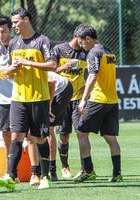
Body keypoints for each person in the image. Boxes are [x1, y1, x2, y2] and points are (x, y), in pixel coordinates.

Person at [0, 8, 56, 190]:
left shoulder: (42, 41)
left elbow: (52, 65)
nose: (13, 25)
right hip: (18, 98)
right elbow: (5, 72)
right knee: (16, 137)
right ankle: (10, 176)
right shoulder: (13, 43)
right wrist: (11, 70)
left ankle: (45, 176)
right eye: (12, 22)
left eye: (15, 22)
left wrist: (29, 63)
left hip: (38, 98)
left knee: (39, 138)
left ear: (27, 19)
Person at [0, 15, 40, 186]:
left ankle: (35, 173)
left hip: (22, 96)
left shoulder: (19, 44)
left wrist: (11, 69)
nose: (0, 35)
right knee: (7, 136)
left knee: (29, 136)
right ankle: (11, 172)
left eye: (4, 31)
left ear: (10, 30)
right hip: (4, 100)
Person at [74, 24, 122, 183]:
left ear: (88, 39)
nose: (81, 46)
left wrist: (83, 99)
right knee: (111, 138)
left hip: (98, 99)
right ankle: (117, 174)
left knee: (81, 132)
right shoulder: (108, 51)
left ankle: (88, 170)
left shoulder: (93, 52)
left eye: (81, 43)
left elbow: (92, 76)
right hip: (112, 100)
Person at [51, 25, 87, 179]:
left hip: (78, 99)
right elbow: (50, 72)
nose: (85, 43)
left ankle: (84, 168)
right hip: (62, 98)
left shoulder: (86, 52)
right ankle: (64, 166)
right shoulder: (59, 49)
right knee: (64, 135)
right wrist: (64, 66)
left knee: (81, 133)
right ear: (76, 37)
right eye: (83, 39)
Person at [47, 71, 73, 182]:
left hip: (61, 88)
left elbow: (51, 82)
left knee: (48, 128)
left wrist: (47, 106)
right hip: (53, 88)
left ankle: (51, 170)